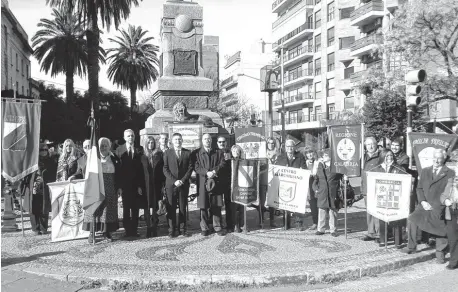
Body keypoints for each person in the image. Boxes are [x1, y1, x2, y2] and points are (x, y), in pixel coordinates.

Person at [403, 149, 455, 264]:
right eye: (435, 157)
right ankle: (412, 246)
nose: (436, 160)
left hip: (439, 205)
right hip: (424, 205)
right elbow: (419, 188)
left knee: (441, 227)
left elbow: (450, 191)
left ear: (443, 159)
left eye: (439, 158)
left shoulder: (449, 172)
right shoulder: (425, 171)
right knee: (412, 219)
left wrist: (440, 204)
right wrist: (422, 202)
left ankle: (440, 252)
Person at [82, 138, 121, 243]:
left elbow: (119, 174)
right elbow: (84, 170)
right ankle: (91, 232)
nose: (103, 147)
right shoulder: (93, 158)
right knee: (94, 208)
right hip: (96, 186)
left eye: (105, 145)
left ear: (109, 147)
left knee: (107, 211)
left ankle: (106, 232)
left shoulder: (114, 158)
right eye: (101, 145)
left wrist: (119, 187)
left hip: (110, 187)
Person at [370, 149, 408, 248]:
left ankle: (398, 241)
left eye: (391, 156)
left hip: (395, 196)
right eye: (387, 156)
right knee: (382, 218)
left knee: (396, 219)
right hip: (381, 197)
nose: (389, 158)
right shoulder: (377, 168)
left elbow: (404, 179)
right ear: (382, 157)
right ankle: (383, 240)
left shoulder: (398, 168)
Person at [21, 143, 56, 235]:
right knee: (34, 207)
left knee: (44, 207)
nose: (44, 151)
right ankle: (35, 228)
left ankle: (43, 227)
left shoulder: (51, 161)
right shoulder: (33, 161)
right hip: (34, 186)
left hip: (45, 187)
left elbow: (54, 173)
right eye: (41, 150)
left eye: (45, 150)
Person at [195, 133, 227, 236]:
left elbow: (222, 163)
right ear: (202, 140)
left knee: (216, 205)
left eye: (209, 139)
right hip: (202, 181)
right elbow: (196, 167)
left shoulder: (217, 152)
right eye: (205, 139)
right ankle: (204, 227)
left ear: (211, 141)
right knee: (203, 206)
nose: (207, 141)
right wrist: (206, 172)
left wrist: (214, 171)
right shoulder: (197, 153)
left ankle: (217, 227)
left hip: (215, 181)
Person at [115, 129, 145, 238]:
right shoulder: (119, 150)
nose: (131, 138)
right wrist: (119, 187)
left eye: (132, 136)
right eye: (128, 136)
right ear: (124, 137)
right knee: (126, 209)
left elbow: (141, 169)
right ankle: (127, 231)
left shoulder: (139, 149)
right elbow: (118, 170)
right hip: (125, 186)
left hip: (136, 185)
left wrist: (140, 186)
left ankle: (135, 230)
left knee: (135, 209)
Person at [163, 133, 193, 237]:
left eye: (179, 139)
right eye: (175, 139)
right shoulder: (167, 153)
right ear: (172, 141)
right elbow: (165, 169)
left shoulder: (187, 153)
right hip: (171, 185)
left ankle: (182, 229)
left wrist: (183, 180)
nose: (178, 141)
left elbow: (190, 168)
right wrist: (175, 181)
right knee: (171, 208)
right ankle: (172, 230)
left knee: (182, 207)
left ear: (182, 140)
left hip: (183, 185)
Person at [276, 139, 306, 228]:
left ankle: (299, 223)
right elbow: (277, 169)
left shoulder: (300, 156)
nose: (290, 148)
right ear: (285, 148)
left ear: (294, 147)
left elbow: (304, 168)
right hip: (285, 184)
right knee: (286, 203)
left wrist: (302, 170)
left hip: (297, 184)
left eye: (291, 146)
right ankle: (286, 223)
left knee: (297, 203)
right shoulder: (280, 157)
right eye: (288, 146)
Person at [313, 149, 343, 237]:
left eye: (325, 155)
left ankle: (333, 229)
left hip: (332, 191)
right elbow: (316, 178)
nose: (323, 157)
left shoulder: (336, 166)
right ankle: (320, 229)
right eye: (323, 156)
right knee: (322, 210)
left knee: (332, 211)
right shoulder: (320, 165)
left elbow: (342, 175)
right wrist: (315, 188)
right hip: (322, 191)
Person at [141, 136, 166, 238]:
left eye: (152, 143)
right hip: (146, 185)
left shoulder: (159, 155)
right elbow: (140, 172)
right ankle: (148, 227)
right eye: (149, 143)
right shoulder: (142, 156)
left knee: (156, 205)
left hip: (156, 184)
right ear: (146, 144)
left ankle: (155, 226)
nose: (150, 144)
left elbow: (162, 171)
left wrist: (163, 185)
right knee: (147, 206)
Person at [361, 136, 381, 243]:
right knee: (369, 212)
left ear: (376, 144)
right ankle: (371, 232)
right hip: (366, 188)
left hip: (377, 188)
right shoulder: (363, 157)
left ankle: (378, 234)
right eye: (368, 144)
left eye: (372, 144)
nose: (371, 146)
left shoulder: (380, 156)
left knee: (377, 212)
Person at [441, 172, 458, 270]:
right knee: (453, 238)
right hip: (452, 212)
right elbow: (443, 196)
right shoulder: (450, 182)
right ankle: (454, 262)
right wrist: (446, 201)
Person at [216, 136, 233, 232]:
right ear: (217, 143)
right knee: (218, 205)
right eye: (220, 142)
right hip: (218, 182)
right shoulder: (214, 153)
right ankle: (219, 224)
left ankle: (229, 224)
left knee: (228, 204)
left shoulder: (230, 152)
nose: (222, 143)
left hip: (227, 182)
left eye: (223, 142)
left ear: (226, 142)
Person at [230, 145, 245, 232]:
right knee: (234, 207)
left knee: (242, 206)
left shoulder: (243, 162)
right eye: (234, 151)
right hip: (233, 187)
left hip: (242, 186)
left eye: (237, 151)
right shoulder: (230, 162)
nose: (236, 153)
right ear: (232, 152)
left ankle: (242, 224)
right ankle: (236, 225)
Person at [304, 148, 319, 231]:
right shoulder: (305, 163)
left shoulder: (318, 162)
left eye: (311, 152)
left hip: (317, 185)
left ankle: (320, 222)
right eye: (308, 153)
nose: (310, 155)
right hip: (309, 186)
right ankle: (315, 222)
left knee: (319, 205)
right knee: (312, 205)